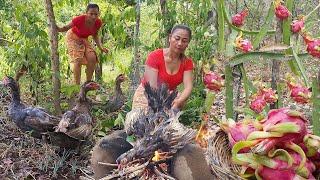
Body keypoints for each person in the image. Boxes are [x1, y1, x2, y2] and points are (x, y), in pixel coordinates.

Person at [132, 24, 194, 111]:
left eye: (184, 41)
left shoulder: (187, 63)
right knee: (144, 121)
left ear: (188, 43)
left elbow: (188, 87)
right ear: (170, 38)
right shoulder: (154, 56)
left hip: (168, 95)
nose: (180, 43)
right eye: (177, 39)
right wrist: (162, 108)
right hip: (147, 94)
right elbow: (152, 87)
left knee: (171, 119)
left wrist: (179, 101)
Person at [56, 3, 108, 85]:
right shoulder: (79, 19)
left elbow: (95, 34)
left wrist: (100, 47)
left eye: (96, 14)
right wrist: (57, 28)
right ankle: (77, 86)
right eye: (91, 14)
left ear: (99, 14)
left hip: (83, 39)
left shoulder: (98, 22)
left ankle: (88, 85)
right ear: (86, 13)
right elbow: (66, 27)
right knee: (78, 60)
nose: (94, 16)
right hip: (73, 37)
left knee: (92, 58)